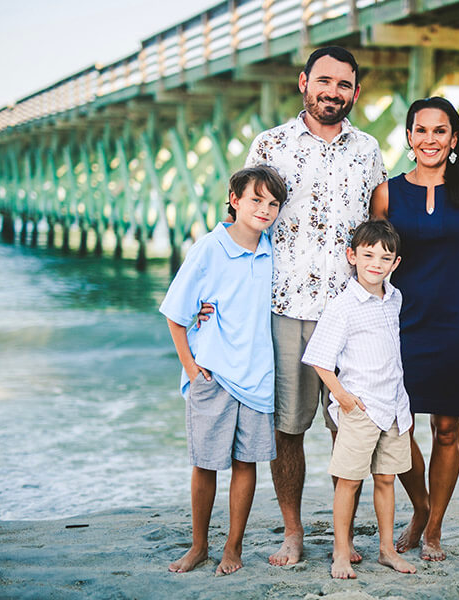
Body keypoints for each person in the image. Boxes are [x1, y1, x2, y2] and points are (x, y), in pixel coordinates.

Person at [200, 46, 386, 566]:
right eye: (323, 80)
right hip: (284, 308)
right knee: (289, 428)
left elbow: (380, 229)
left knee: (352, 425)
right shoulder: (271, 144)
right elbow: (242, 226)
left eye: (344, 84)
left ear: (355, 91)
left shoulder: (368, 149)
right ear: (304, 82)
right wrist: (212, 296)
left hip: (350, 312)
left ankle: (348, 535)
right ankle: (293, 531)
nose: (333, 91)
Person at [159, 166, 287, 575]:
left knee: (247, 464)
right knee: (205, 463)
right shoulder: (210, 248)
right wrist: (192, 368)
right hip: (212, 376)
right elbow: (176, 314)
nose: (264, 209)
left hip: (257, 377)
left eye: (273, 203)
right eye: (256, 199)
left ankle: (233, 548)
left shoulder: (271, 251)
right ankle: (198, 546)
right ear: (234, 199)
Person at [370, 97, 459, 561]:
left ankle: (433, 528)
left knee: (448, 429)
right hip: (403, 322)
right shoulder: (387, 193)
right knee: (400, 427)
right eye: (422, 130)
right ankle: (420, 507)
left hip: (458, 321)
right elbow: (368, 261)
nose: (430, 139)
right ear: (410, 137)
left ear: (453, 139)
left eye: (441, 131)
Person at [301, 219, 416, 579]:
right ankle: (340, 552)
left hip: (395, 407)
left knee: (386, 480)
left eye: (385, 258)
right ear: (352, 256)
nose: (375, 264)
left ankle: (385, 550)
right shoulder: (343, 306)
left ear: (395, 264)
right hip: (361, 409)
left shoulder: (394, 298)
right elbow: (320, 358)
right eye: (368, 255)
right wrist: (344, 399)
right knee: (349, 481)